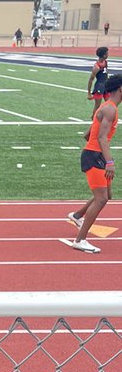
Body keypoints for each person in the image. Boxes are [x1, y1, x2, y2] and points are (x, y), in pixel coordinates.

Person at [63, 74, 122, 253]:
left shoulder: (106, 108)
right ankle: (80, 240)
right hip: (95, 156)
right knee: (101, 198)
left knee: (107, 195)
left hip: (98, 154)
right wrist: (109, 162)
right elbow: (101, 137)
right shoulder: (110, 109)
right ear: (120, 89)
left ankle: (78, 215)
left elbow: (88, 134)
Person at [88, 47, 110, 114]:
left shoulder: (105, 62)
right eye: (107, 53)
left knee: (109, 104)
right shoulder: (96, 67)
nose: (108, 54)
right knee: (97, 106)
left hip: (106, 86)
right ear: (104, 55)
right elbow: (91, 80)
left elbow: (106, 73)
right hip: (99, 87)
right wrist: (89, 93)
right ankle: (94, 121)